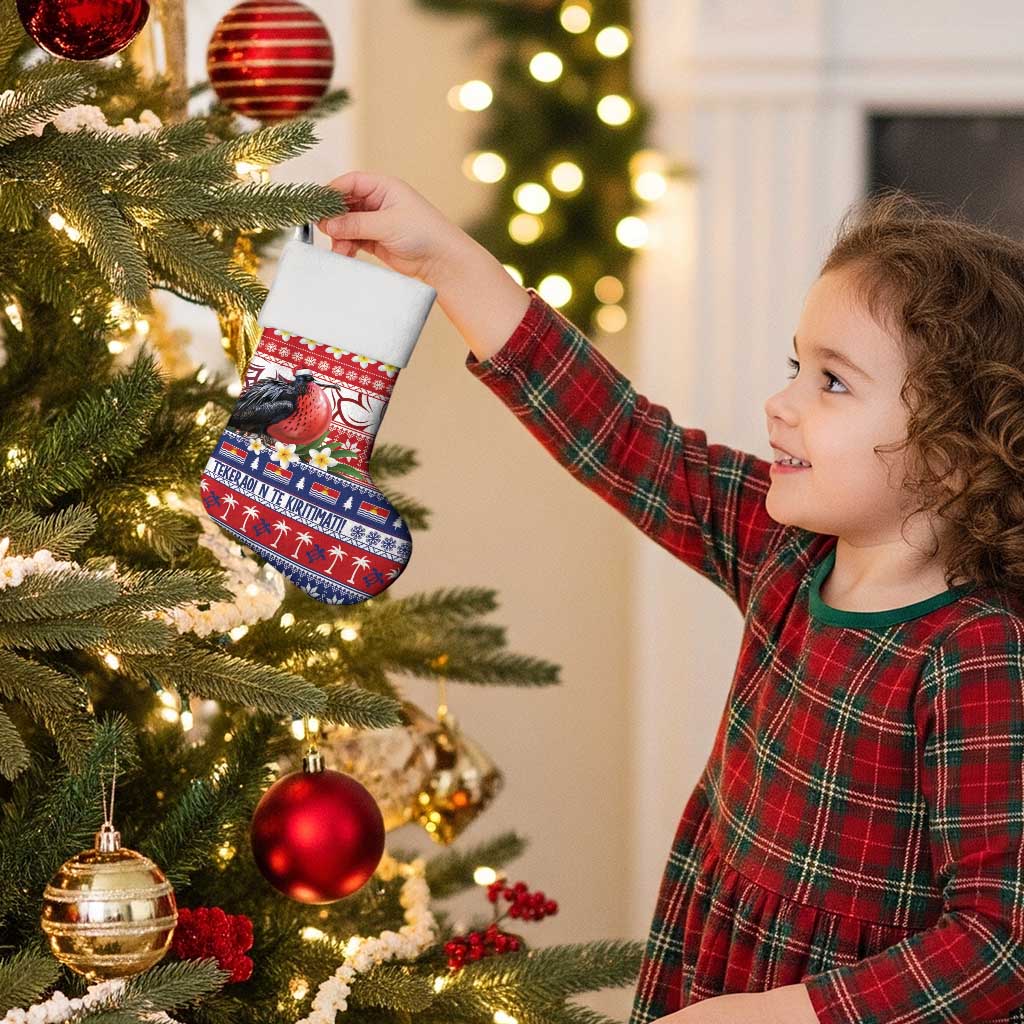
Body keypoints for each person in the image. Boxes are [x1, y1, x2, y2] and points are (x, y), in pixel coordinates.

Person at [317, 174, 1024, 1024]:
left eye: (832, 383)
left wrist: (778, 1016)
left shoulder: (978, 652)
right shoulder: (786, 552)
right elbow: (622, 436)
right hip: (714, 964)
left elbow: (998, 941)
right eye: (797, 367)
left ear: (955, 453)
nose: (782, 403)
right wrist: (452, 263)